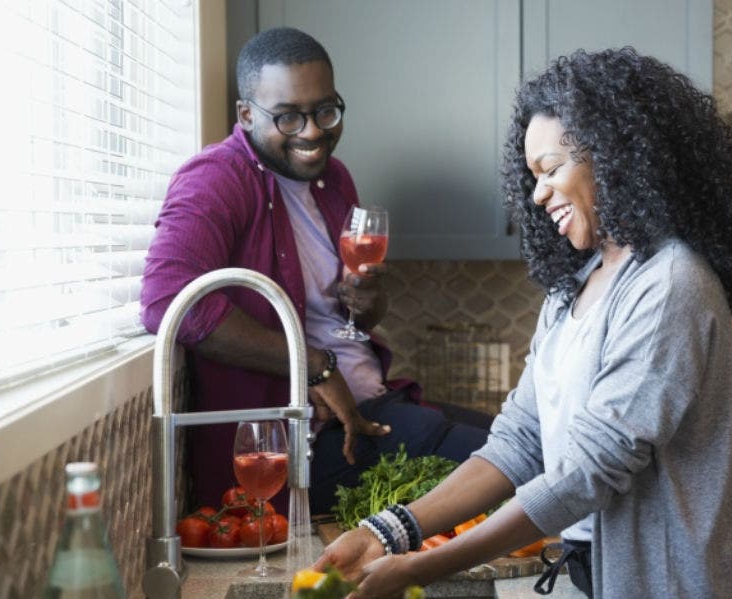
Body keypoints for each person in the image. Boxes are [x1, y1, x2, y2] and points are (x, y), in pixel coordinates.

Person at [314, 47, 732, 598]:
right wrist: (387, 533)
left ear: (616, 156)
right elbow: (518, 441)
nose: (537, 194)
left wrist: (421, 567)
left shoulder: (671, 283)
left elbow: (589, 471)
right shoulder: (575, 287)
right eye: (532, 175)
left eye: (551, 169)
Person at [139, 27, 491, 514]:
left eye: (325, 110)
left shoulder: (332, 177)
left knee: (519, 437)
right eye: (287, 117)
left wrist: (368, 303)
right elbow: (166, 301)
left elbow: (350, 316)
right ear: (246, 114)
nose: (312, 131)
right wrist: (312, 364)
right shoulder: (215, 178)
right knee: (524, 463)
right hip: (304, 444)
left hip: (375, 404)